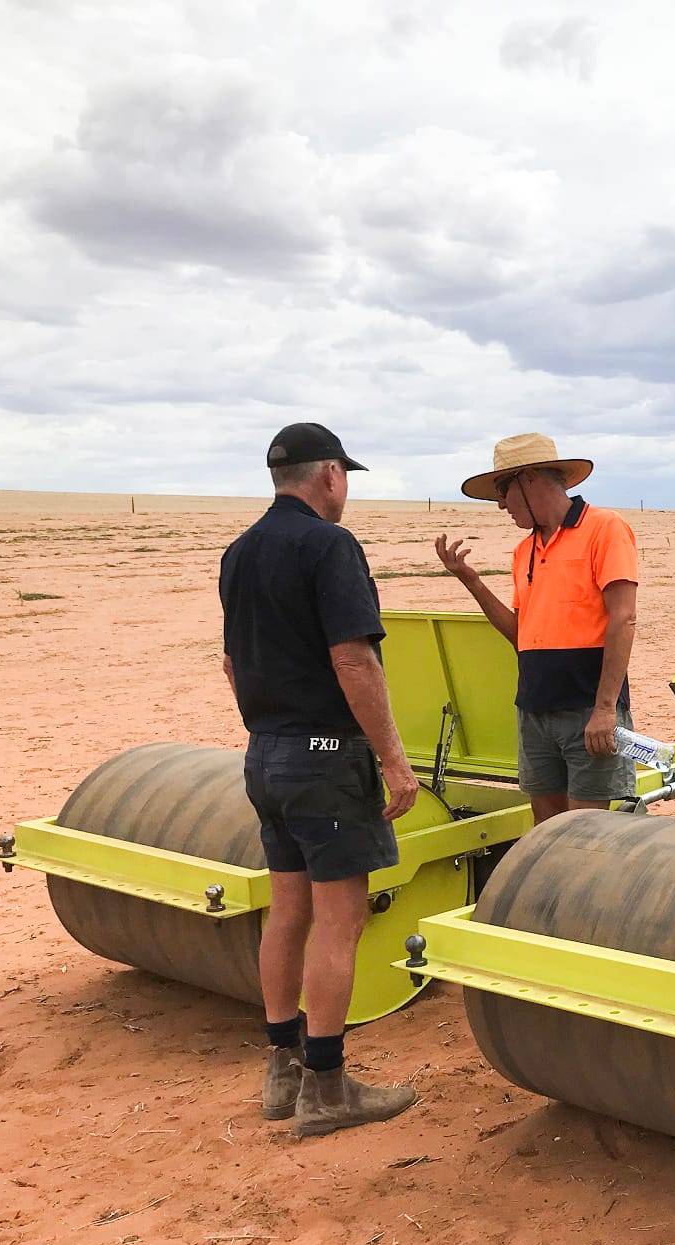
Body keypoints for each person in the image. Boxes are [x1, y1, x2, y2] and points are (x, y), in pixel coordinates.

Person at [219, 421, 419, 1137]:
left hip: (264, 753)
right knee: (342, 917)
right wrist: (392, 757)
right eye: (345, 481)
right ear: (330, 475)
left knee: (288, 910)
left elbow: (232, 665)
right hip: (325, 755)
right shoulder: (330, 546)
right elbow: (355, 660)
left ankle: (282, 1069)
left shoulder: (238, 552)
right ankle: (327, 1085)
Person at [436, 433, 639, 824]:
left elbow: (624, 618)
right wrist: (472, 582)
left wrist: (604, 709)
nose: (500, 504)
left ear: (528, 478)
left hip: (587, 709)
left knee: (585, 837)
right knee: (545, 836)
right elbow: (521, 635)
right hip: (533, 708)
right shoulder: (523, 550)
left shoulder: (605, 528)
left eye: (502, 489)